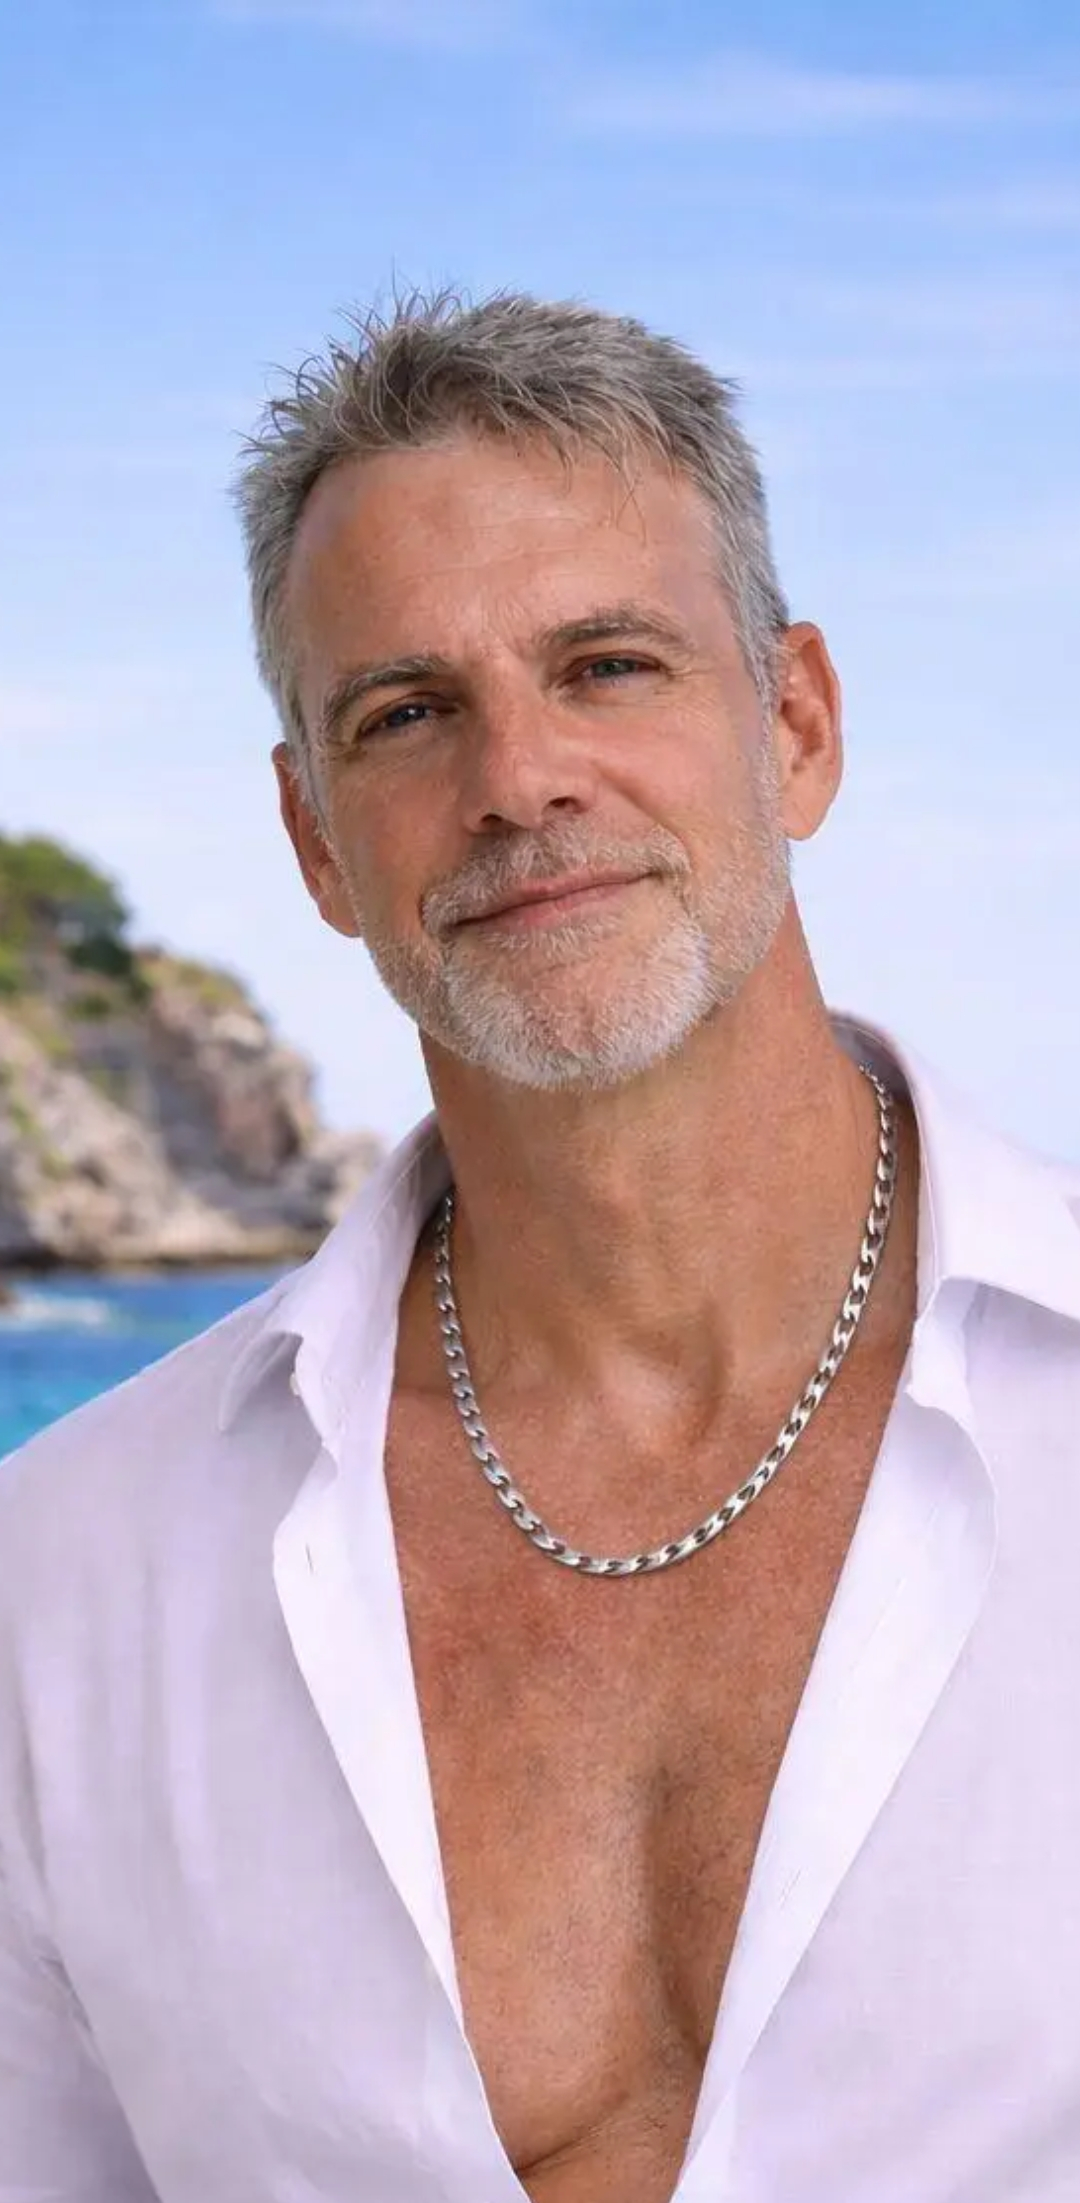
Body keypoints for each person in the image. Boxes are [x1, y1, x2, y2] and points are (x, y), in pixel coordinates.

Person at [1, 291, 1079, 2203]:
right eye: (407, 714)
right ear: (315, 838)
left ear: (797, 726)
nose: (519, 778)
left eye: (608, 666)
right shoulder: (61, 1584)